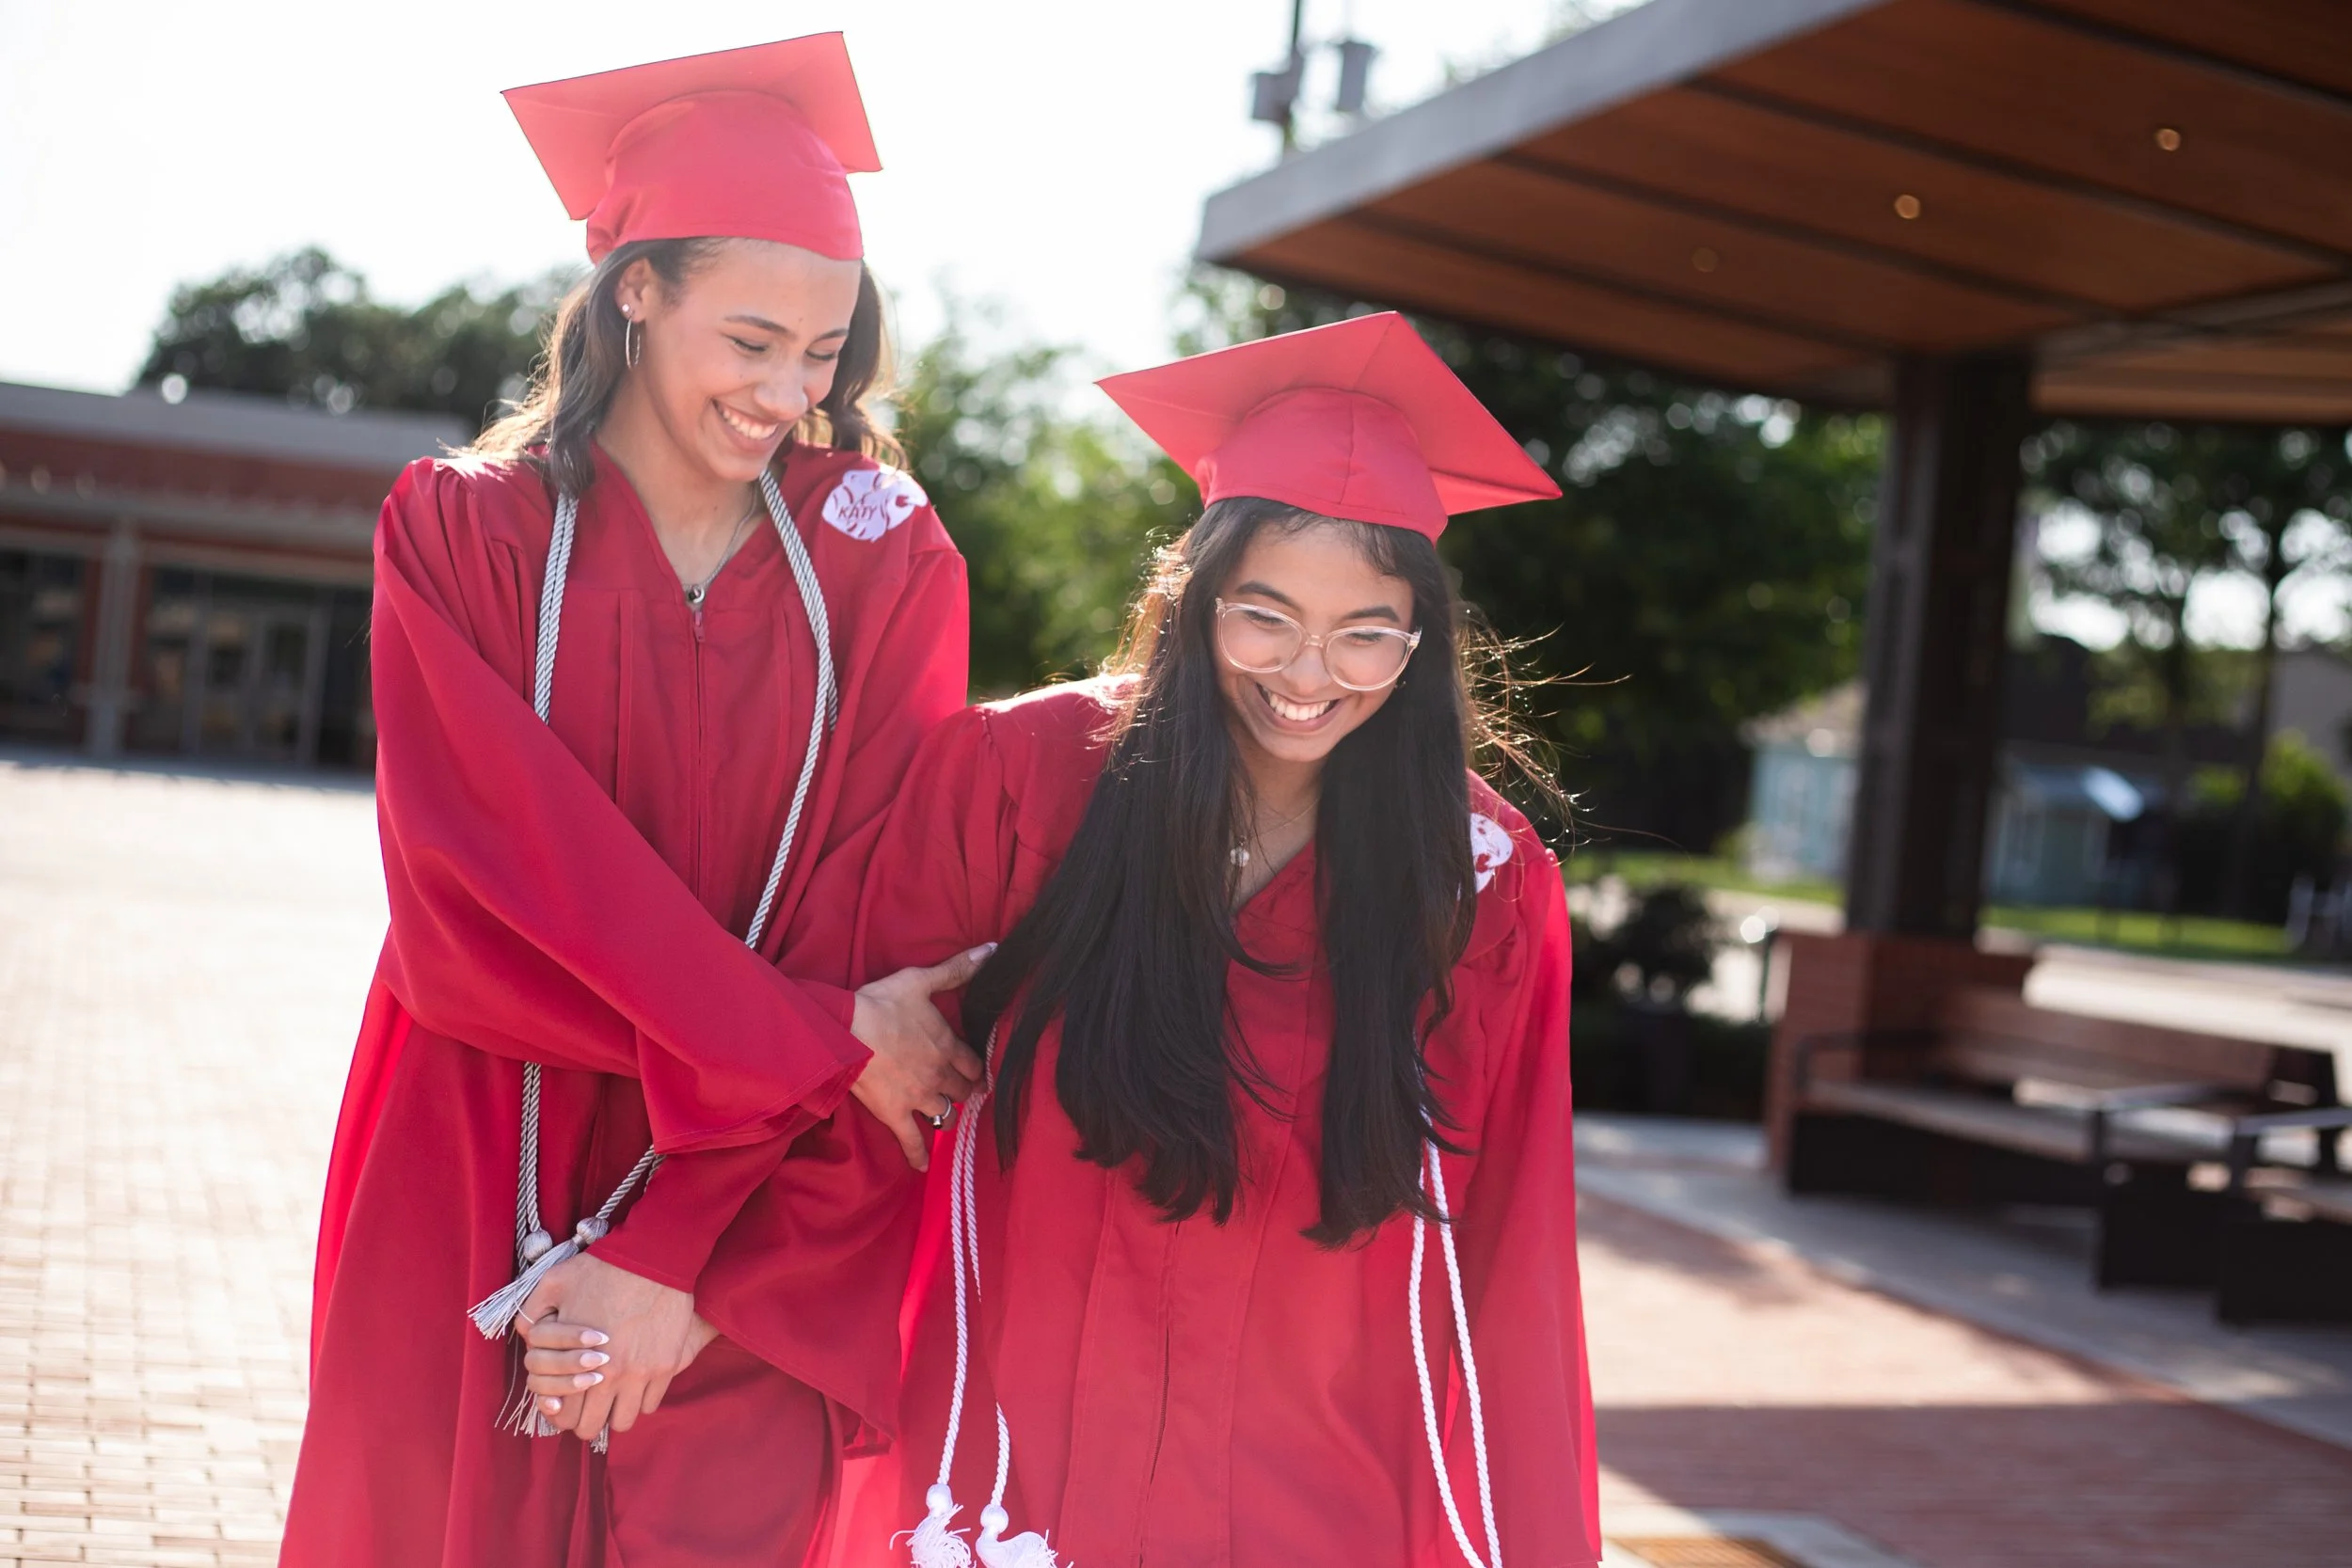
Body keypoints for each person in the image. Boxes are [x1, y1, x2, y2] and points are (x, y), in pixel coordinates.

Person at [284, 34, 985, 1567]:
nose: (789, 393)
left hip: (769, 1200)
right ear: (635, 288)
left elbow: (875, 935)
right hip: (475, 1147)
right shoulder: (458, 534)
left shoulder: (882, 554)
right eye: (750, 337)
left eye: (824, 351)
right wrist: (813, 1038)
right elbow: (485, 904)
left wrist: (677, 1248)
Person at [803, 312, 1600, 1565]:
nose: (1310, 673)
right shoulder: (1023, 778)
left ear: (1420, 634)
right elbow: (856, 1105)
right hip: (1008, 1483)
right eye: (1265, 616)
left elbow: (1509, 1251)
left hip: (1306, 1501)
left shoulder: (1481, 880)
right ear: (1195, 597)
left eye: (1366, 631)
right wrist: (694, 1272)